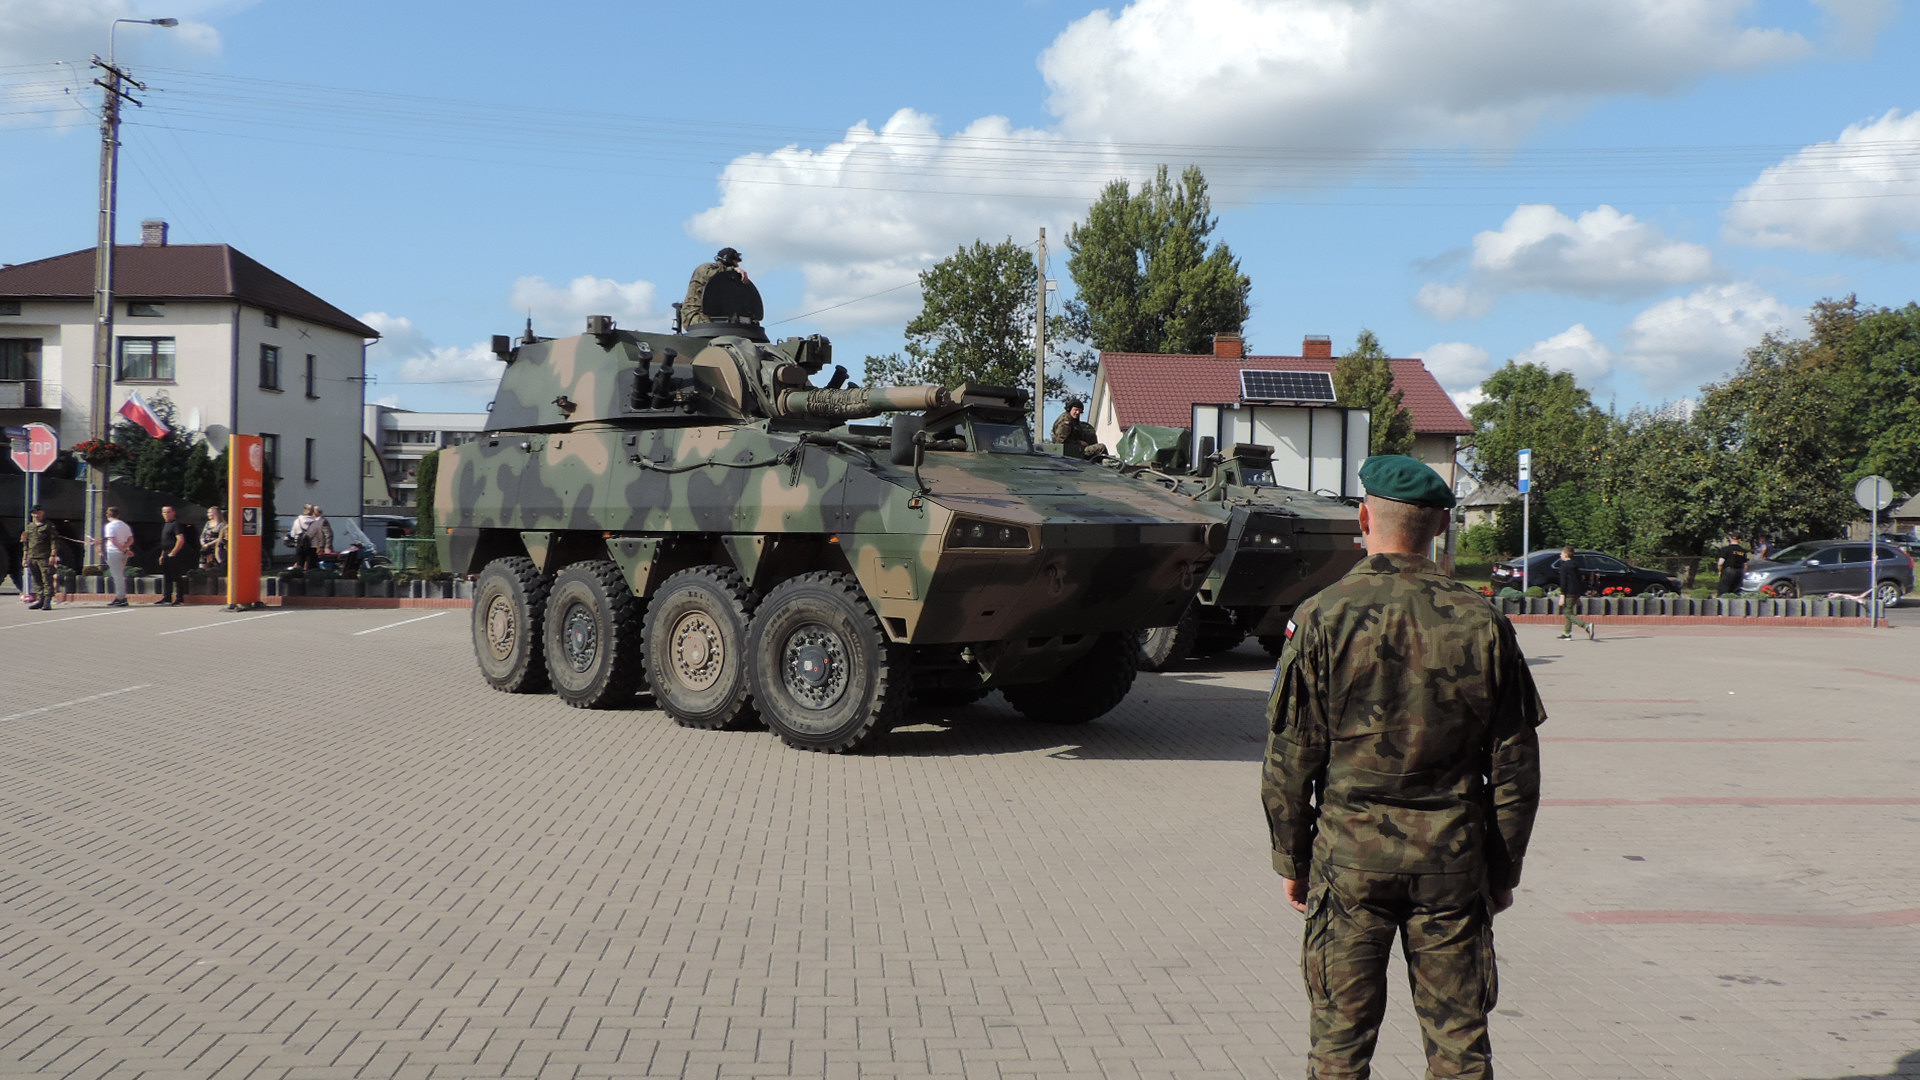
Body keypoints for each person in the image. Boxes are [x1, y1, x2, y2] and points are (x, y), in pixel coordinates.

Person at [1262, 454, 1545, 1080]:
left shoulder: (1321, 617)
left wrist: (1292, 860)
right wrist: (1504, 868)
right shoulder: (1483, 620)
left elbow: (1290, 757)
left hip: (1348, 863)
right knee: (1460, 1050)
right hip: (1452, 862)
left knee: (1339, 1045)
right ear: (1441, 526)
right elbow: (1516, 765)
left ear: (1363, 519)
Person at [681, 247, 748, 327]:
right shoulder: (706, 268)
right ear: (728, 260)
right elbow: (713, 276)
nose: (737, 265)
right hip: (695, 315)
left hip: (710, 317)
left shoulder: (725, 280)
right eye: (735, 262)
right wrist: (733, 270)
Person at [90, 505, 134, 606]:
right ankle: (121, 596)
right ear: (118, 515)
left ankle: (121, 598)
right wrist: (126, 548)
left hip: (114, 552)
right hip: (123, 553)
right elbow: (131, 539)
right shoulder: (124, 525)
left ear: (108, 515)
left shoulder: (110, 526)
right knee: (120, 574)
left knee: (117, 575)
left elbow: (112, 539)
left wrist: (122, 548)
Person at [21, 505, 60, 611]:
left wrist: (53, 555)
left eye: (38, 513)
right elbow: (26, 543)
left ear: (42, 513)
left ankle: (47, 601)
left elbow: (54, 542)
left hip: (44, 557)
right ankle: (41, 599)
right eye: (34, 513)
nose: (36, 515)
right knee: (36, 579)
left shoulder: (48, 526)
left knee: (47, 579)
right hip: (32, 557)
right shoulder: (30, 527)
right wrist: (25, 558)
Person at [1554, 545, 1596, 640]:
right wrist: (1578, 596)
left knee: (1567, 613)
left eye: (1562, 553)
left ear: (1565, 554)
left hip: (1568, 592)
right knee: (1569, 611)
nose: (1560, 555)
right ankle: (1567, 633)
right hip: (1575, 592)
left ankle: (1586, 626)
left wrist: (1562, 595)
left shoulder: (1564, 566)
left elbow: (1563, 582)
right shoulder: (1575, 565)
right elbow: (1579, 580)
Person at [158, 505, 196, 605]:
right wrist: (162, 555)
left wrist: (173, 552)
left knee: (176, 576)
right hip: (166, 553)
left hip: (175, 554)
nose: (166, 514)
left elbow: (180, 539)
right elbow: (164, 542)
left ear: (173, 512)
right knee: (167, 577)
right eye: (164, 512)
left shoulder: (176, 524)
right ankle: (167, 597)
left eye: (168, 512)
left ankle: (179, 598)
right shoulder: (165, 525)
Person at [200, 506, 227, 573]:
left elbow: (221, 537)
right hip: (206, 550)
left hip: (215, 550)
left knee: (214, 571)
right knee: (202, 569)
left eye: (209, 512)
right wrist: (203, 543)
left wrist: (209, 544)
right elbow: (202, 535)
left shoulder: (222, 524)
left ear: (215, 513)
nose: (208, 514)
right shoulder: (208, 523)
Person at [290, 504, 318, 570]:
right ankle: (309, 578)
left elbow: (292, 534)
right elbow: (319, 535)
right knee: (310, 565)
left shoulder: (297, 521)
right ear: (313, 512)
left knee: (299, 564)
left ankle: (299, 578)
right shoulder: (316, 522)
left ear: (304, 510)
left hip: (299, 545)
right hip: (312, 546)